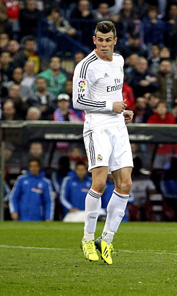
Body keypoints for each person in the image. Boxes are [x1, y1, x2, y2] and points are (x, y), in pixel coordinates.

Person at [72, 21, 134, 265]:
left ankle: (106, 239)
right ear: (94, 39)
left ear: (115, 40)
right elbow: (78, 101)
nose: (105, 44)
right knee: (99, 182)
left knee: (126, 183)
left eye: (109, 40)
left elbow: (114, 96)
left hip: (118, 126)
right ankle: (88, 238)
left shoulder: (119, 60)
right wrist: (110, 107)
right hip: (97, 127)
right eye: (100, 39)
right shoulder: (85, 66)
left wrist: (122, 111)